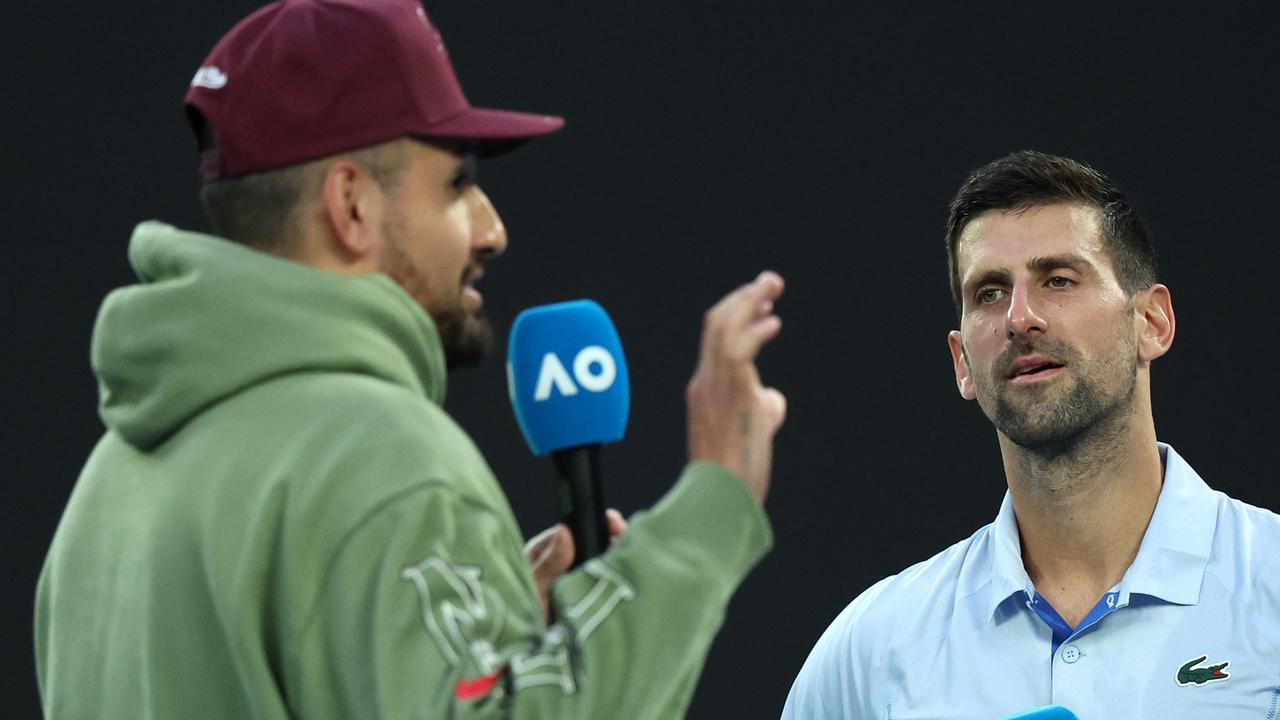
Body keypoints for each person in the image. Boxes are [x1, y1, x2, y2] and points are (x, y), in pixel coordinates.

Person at [34, 1, 788, 718]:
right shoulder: (379, 457)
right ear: (352, 205)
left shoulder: (104, 493)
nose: (491, 229)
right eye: (458, 184)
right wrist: (711, 504)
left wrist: (489, 635)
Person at [782, 150, 1280, 719]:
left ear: (1152, 322)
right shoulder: (871, 651)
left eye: (1059, 280)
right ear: (962, 361)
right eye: (990, 293)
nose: (1020, 317)